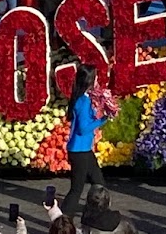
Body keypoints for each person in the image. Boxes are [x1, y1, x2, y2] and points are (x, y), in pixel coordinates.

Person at [61, 65, 105, 219]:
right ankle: (63, 221)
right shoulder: (83, 101)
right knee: (76, 190)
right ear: (90, 80)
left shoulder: (82, 98)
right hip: (80, 151)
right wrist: (103, 119)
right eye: (96, 77)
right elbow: (83, 129)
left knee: (99, 184)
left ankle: (96, 216)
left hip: (84, 149)